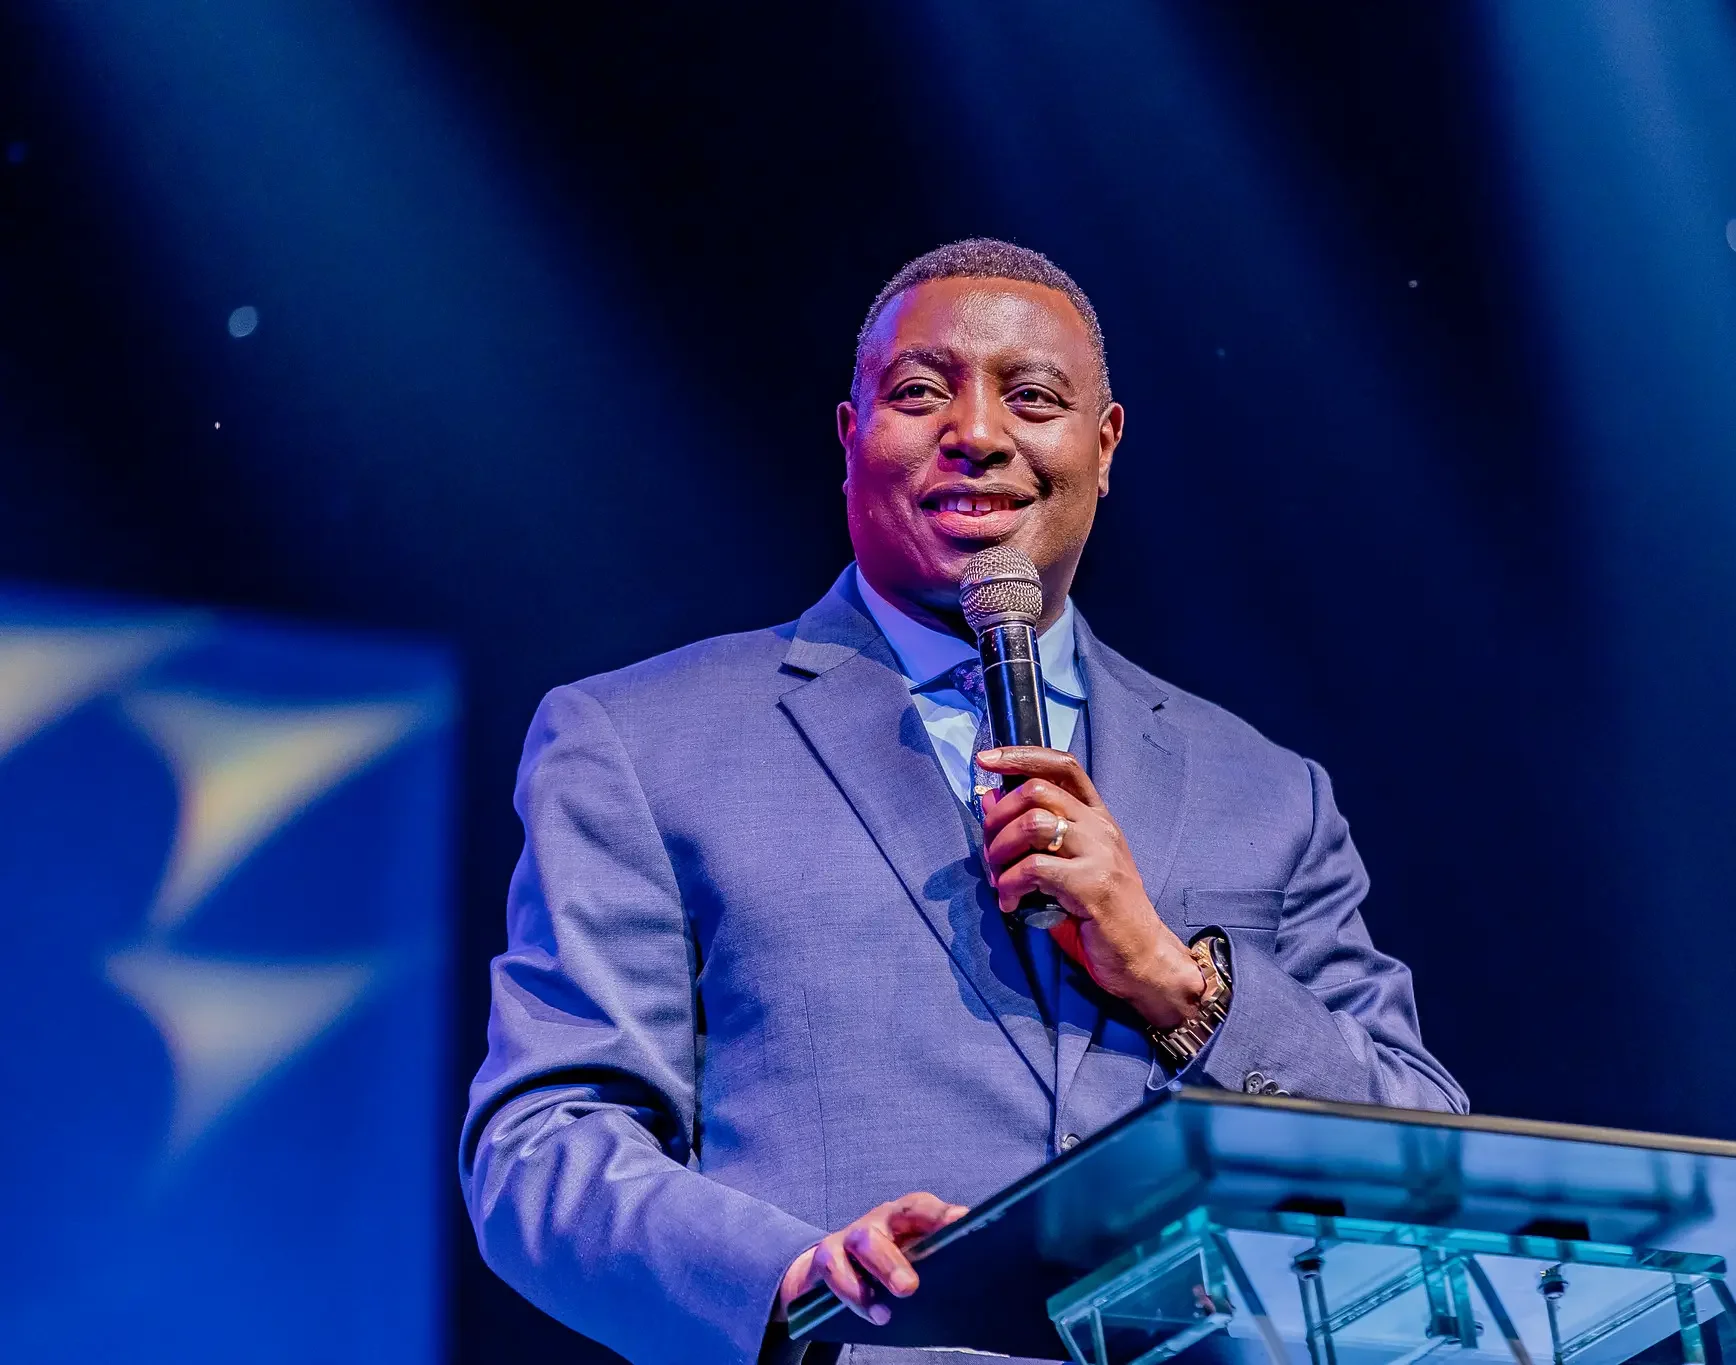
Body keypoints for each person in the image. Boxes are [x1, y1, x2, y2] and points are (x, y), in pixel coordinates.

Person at [461, 239, 1465, 1365]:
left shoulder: (1265, 791)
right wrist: (789, 1283)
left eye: (1031, 398)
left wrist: (1178, 981)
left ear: (1103, 442)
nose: (977, 433)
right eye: (919, 393)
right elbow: (543, 1146)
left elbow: (1425, 1154)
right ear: (850, 438)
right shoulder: (643, 743)